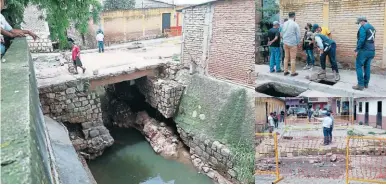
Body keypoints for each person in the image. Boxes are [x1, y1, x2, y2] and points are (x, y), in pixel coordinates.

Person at [352, 16, 376, 91]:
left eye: (359, 23)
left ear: (362, 21)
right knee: (367, 67)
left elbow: (361, 40)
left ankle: (360, 85)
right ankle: (366, 84)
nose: (359, 24)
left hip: (364, 50)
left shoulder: (363, 27)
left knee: (358, 66)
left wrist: (357, 50)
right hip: (371, 50)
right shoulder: (372, 28)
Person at [281, 12, 301, 77]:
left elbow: (281, 33)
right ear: (294, 16)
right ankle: (293, 72)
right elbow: (298, 35)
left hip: (285, 43)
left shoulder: (284, 24)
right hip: (292, 43)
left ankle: (285, 71)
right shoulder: (295, 24)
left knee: (286, 57)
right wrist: (298, 43)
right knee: (292, 59)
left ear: (289, 16)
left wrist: (284, 40)